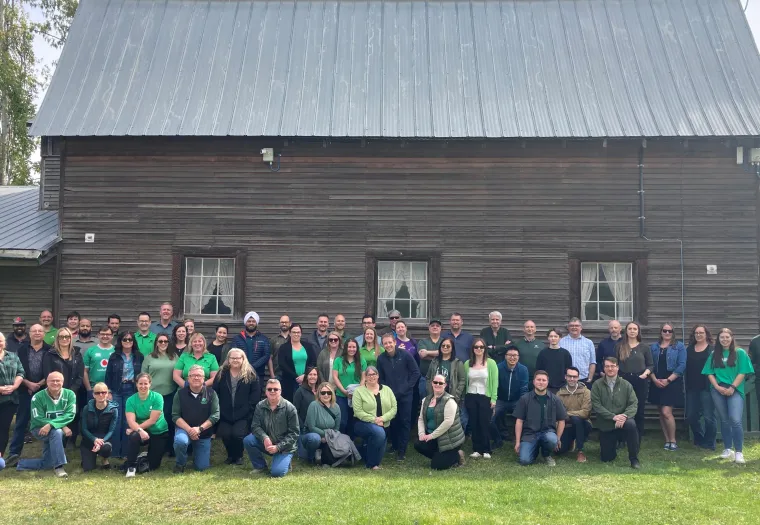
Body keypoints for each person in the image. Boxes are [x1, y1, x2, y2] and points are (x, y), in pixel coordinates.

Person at [702, 328, 754, 464]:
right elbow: (709, 372)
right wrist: (717, 387)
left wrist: (732, 387)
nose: (724, 340)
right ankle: (727, 449)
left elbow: (743, 372)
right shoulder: (714, 354)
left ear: (732, 338)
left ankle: (739, 452)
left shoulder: (740, 353)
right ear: (718, 339)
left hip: (735, 390)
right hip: (718, 389)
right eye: (722, 337)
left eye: (727, 337)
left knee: (735, 420)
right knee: (724, 420)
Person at [13, 371, 75, 476]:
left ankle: (20, 463)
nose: (55, 383)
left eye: (58, 380)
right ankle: (59, 466)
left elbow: (70, 415)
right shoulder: (37, 397)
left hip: (50, 428)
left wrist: (51, 424)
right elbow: (38, 418)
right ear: (46, 382)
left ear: (63, 382)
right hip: (39, 429)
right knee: (57, 432)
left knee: (47, 463)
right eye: (52, 381)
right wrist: (61, 425)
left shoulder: (70, 394)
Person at [7, 324, 50, 463]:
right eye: (34, 331)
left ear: (44, 333)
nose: (37, 333)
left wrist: (39, 384)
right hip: (25, 390)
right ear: (29, 334)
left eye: (40, 331)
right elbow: (16, 370)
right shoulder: (21, 349)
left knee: (47, 421)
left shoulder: (50, 350)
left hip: (45, 391)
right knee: (21, 422)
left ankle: (49, 455)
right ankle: (14, 453)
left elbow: (52, 371)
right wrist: (28, 384)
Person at [377, 332, 420, 461]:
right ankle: (394, 445)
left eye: (390, 342)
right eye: (385, 343)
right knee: (393, 422)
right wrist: (386, 390)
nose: (388, 345)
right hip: (390, 395)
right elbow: (381, 377)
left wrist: (407, 387)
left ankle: (402, 450)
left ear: (395, 342)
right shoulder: (381, 359)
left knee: (404, 422)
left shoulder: (405, 355)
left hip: (406, 395)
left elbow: (415, 372)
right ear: (383, 345)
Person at [591, 357, 640, 469]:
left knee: (631, 425)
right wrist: (613, 417)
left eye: (613, 366)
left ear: (617, 368)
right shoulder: (597, 385)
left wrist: (624, 416)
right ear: (604, 368)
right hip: (607, 424)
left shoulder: (626, 385)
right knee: (607, 458)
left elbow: (633, 403)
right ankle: (613, 445)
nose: (610, 368)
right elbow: (596, 405)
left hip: (624, 422)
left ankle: (634, 459)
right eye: (607, 366)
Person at [244, 379, 300, 477]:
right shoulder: (260, 406)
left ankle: (285, 461)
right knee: (248, 440)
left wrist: (278, 447)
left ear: (280, 391)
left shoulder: (290, 408)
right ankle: (260, 466)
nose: (272, 391)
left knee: (277, 473)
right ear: (266, 391)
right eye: (269, 389)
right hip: (268, 443)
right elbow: (255, 426)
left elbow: (294, 433)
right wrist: (264, 437)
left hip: (284, 447)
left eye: (275, 389)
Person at [214, 349, 259, 465]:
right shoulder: (221, 373)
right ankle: (230, 456)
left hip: (243, 414)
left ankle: (238, 456)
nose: (235, 360)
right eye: (232, 358)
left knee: (237, 435)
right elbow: (215, 392)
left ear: (243, 359)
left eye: (238, 358)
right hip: (225, 413)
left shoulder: (250, 374)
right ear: (228, 359)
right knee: (225, 434)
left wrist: (249, 409)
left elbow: (255, 394)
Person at [172, 365, 220, 472]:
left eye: (199, 375)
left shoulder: (211, 394)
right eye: (192, 375)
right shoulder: (180, 394)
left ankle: (197, 457)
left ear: (204, 379)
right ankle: (181, 463)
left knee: (201, 467)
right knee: (180, 441)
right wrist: (190, 430)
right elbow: (175, 416)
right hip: (184, 430)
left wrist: (199, 429)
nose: (196, 378)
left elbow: (215, 415)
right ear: (188, 379)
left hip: (203, 432)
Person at [104, 331, 145, 459]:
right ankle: (115, 451)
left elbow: (141, 374)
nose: (127, 342)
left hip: (132, 389)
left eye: (130, 340)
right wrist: (109, 391)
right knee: (116, 420)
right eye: (125, 340)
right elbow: (108, 374)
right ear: (120, 341)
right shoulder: (114, 356)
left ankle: (127, 452)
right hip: (117, 389)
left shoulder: (139, 356)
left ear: (133, 342)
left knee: (129, 421)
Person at [513, 370, 567, 466]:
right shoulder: (525, 399)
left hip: (548, 432)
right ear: (533, 382)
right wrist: (517, 442)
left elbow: (561, 420)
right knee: (525, 461)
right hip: (530, 434)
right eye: (538, 380)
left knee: (552, 440)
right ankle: (534, 450)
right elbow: (519, 421)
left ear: (547, 382)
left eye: (543, 380)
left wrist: (558, 439)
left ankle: (546, 454)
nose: (541, 382)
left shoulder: (555, 399)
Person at [415, 373, 466, 470]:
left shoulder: (449, 401)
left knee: (436, 466)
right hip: (434, 438)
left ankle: (457, 455)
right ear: (432, 383)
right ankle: (441, 456)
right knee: (418, 444)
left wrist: (431, 436)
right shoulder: (426, 400)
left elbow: (448, 422)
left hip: (450, 440)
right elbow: (421, 418)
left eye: (440, 383)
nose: (437, 385)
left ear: (445, 385)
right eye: (435, 382)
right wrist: (421, 434)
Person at [123, 373, 170, 477]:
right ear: (136, 384)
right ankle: (131, 466)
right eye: (140, 383)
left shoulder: (157, 397)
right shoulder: (131, 400)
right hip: (142, 431)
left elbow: (153, 420)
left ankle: (143, 456)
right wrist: (139, 430)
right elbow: (131, 421)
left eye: (145, 383)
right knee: (134, 436)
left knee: (152, 467)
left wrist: (136, 428)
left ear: (150, 384)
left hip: (159, 431)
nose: (143, 386)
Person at [649, 322, 686, 451]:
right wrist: (654, 380)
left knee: (666, 412)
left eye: (669, 331)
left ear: (673, 332)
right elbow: (650, 365)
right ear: (661, 332)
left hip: (672, 381)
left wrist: (668, 380)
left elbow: (682, 365)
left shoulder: (679, 346)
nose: (667, 333)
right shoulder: (654, 347)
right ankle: (667, 440)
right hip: (656, 381)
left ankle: (673, 440)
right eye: (664, 331)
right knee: (660, 411)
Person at [352, 366, 397, 470]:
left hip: (383, 424)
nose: (372, 377)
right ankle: (371, 465)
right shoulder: (359, 391)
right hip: (362, 423)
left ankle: (363, 453)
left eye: (374, 374)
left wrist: (383, 418)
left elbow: (394, 408)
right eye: (369, 375)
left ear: (378, 376)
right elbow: (358, 412)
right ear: (365, 377)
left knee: (379, 453)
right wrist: (375, 420)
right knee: (379, 433)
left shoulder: (387, 390)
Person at [615, 321, 653, 443]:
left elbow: (651, 365)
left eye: (634, 329)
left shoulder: (644, 347)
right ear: (626, 331)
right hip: (623, 380)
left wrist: (645, 374)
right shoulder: (620, 346)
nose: (632, 331)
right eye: (630, 329)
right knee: (622, 408)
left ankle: (637, 437)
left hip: (640, 380)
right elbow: (615, 364)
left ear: (638, 331)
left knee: (639, 408)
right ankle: (622, 437)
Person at [142, 334, 179, 453]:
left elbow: (179, 372)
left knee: (169, 419)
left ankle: (170, 447)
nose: (163, 343)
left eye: (165, 341)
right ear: (156, 343)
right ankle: (155, 448)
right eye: (160, 341)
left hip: (170, 393)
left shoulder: (174, 357)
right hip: (153, 395)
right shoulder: (149, 357)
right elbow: (143, 375)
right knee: (155, 421)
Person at [464, 337, 498, 458]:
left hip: (485, 396)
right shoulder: (467, 363)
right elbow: (465, 381)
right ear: (473, 349)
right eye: (476, 347)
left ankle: (486, 450)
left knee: (484, 423)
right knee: (474, 423)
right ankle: (476, 449)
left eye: (481, 347)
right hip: (471, 396)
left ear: (485, 349)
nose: (479, 349)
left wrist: (493, 399)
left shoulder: (491, 363)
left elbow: (495, 382)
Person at [490, 346, 528, 448]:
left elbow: (524, 388)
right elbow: (493, 385)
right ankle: (497, 439)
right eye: (510, 355)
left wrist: (522, 404)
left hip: (516, 401)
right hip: (500, 400)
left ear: (519, 357)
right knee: (489, 417)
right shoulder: (498, 368)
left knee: (524, 415)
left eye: (515, 355)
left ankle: (518, 438)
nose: (512, 358)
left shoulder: (523, 370)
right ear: (505, 356)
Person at [685, 325, 716, 450]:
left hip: (707, 387)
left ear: (706, 334)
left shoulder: (712, 350)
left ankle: (709, 443)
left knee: (709, 416)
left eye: (701, 333)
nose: (699, 335)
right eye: (696, 333)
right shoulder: (689, 349)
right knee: (691, 416)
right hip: (692, 387)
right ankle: (699, 439)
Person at [79, 382, 118, 471]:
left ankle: (104, 458)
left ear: (107, 394)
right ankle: (89, 457)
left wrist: (101, 442)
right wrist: (94, 439)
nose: (101, 395)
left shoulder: (113, 410)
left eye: (103, 392)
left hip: (104, 440)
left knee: (106, 448)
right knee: (88, 468)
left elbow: (111, 430)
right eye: (97, 393)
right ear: (93, 395)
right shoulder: (86, 408)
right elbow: (84, 429)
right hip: (89, 440)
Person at [557, 367, 592, 462]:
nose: (572, 379)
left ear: (578, 378)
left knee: (577, 419)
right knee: (559, 451)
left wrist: (567, 414)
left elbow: (585, 412)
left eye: (574, 377)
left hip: (584, 424)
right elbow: (557, 414)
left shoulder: (586, 392)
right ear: (565, 377)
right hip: (566, 425)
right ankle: (572, 441)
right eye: (569, 376)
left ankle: (580, 451)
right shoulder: (559, 394)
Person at [332, 339, 366, 434]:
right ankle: (340, 443)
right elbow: (335, 376)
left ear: (357, 348)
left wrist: (358, 392)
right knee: (342, 421)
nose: (352, 349)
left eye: (354, 347)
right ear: (346, 348)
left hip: (356, 396)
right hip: (341, 395)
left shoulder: (361, 360)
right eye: (349, 347)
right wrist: (343, 391)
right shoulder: (339, 360)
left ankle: (351, 443)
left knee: (353, 421)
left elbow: (364, 378)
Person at [302, 382, 341, 464]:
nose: (326, 395)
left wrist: (329, 437)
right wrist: (324, 435)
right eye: (323, 393)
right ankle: (311, 457)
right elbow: (312, 427)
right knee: (315, 438)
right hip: (312, 435)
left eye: (329, 392)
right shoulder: (313, 405)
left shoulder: (336, 407)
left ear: (332, 394)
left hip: (329, 437)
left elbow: (336, 428)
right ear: (319, 394)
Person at [278, 324, 318, 402]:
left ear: (301, 333)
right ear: (289, 333)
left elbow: (313, 362)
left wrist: (305, 376)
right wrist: (296, 377)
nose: (296, 334)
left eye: (298, 332)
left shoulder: (308, 346)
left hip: (306, 381)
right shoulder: (284, 347)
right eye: (294, 332)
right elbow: (282, 364)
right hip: (290, 382)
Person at [0, 332, 24, 457]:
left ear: (4, 343)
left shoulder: (13, 356)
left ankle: (0, 456)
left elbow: (20, 372)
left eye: (0, 341)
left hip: (10, 399)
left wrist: (14, 386)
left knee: (3, 429)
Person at [43, 327, 84, 394]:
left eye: (67, 336)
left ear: (70, 338)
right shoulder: (50, 354)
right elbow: (48, 375)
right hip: (54, 392)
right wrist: (58, 391)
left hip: (73, 393)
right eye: (61, 337)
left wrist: (71, 391)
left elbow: (80, 376)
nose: (64, 339)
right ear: (57, 339)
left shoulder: (77, 354)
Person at [425, 337, 466, 404]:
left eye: (448, 346)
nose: (445, 347)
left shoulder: (457, 363)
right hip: (435, 395)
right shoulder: (434, 361)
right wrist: (430, 392)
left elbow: (462, 380)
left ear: (452, 348)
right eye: (443, 345)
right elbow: (428, 377)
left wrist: (457, 394)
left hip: (450, 396)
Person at [232, 311, 271, 379]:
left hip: (258, 374)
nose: (251, 323)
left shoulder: (264, 339)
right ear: (245, 323)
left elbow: (266, 355)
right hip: (240, 374)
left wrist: (252, 367)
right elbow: (233, 354)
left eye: (253, 321)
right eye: (249, 321)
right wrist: (244, 367)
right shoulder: (237, 339)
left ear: (256, 323)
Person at [559, 318, 596, 386]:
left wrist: (590, 379)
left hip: (584, 379)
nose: (574, 327)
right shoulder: (561, 342)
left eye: (576, 325)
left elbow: (592, 362)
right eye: (571, 326)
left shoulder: (588, 343)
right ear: (568, 328)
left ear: (581, 328)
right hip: (566, 380)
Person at [83, 326, 115, 399]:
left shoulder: (116, 351)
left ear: (112, 336)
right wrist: (89, 389)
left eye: (108, 334)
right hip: (94, 389)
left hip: (111, 391)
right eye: (102, 334)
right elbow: (84, 371)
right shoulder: (90, 350)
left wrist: (111, 390)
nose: (105, 336)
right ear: (98, 335)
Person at [294, 367, 320, 447]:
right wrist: (302, 426)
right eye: (310, 374)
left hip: (319, 426)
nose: (312, 376)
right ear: (306, 376)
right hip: (305, 428)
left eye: (315, 374)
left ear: (318, 376)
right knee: (304, 456)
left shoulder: (322, 391)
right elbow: (295, 412)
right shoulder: (300, 391)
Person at [417, 319, 442, 397]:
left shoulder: (444, 341)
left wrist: (428, 352)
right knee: (424, 402)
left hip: (441, 380)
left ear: (440, 328)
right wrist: (439, 355)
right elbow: (422, 355)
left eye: (437, 326)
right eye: (432, 326)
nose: (435, 327)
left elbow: (446, 353)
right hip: (425, 378)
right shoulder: (423, 341)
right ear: (429, 328)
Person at [268, 315, 291, 379]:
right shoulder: (273, 340)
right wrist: (272, 375)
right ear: (279, 324)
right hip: (277, 374)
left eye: (286, 322)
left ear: (290, 324)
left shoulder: (294, 339)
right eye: (282, 322)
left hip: (292, 374)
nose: (284, 324)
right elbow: (269, 359)